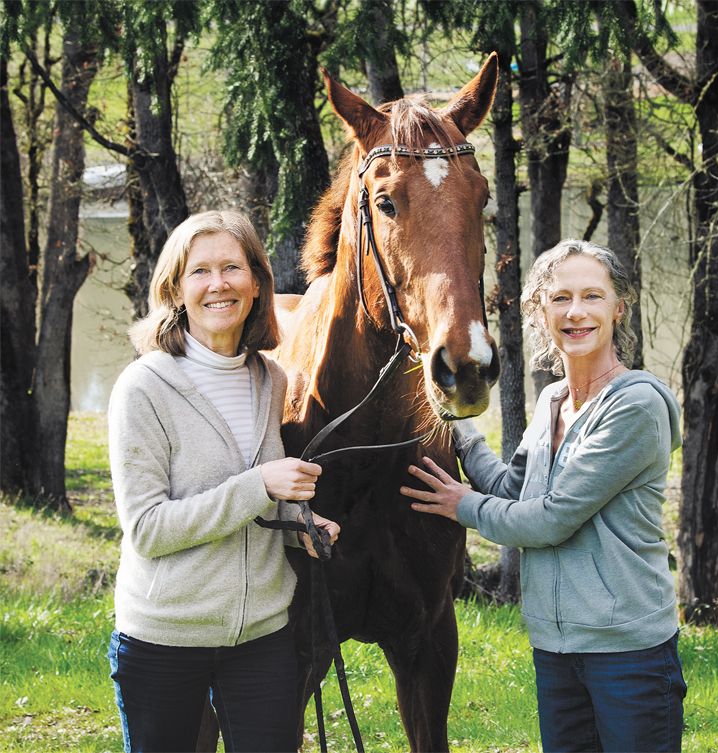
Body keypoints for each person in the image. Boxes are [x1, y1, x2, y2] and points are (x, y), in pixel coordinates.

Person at [401, 239, 687, 753]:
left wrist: (461, 505)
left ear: (619, 307)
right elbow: (514, 489)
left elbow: (551, 518)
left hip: (627, 652)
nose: (576, 312)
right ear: (540, 311)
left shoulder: (636, 406)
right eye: (560, 299)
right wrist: (457, 431)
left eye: (592, 297)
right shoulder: (553, 401)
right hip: (555, 647)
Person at [107, 209, 339, 753]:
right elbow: (147, 529)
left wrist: (296, 525)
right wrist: (261, 485)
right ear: (175, 287)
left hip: (261, 638)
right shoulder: (143, 388)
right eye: (200, 270)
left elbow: (250, 511)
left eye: (232, 267)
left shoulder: (269, 379)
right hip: (165, 638)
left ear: (257, 283)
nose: (218, 284)